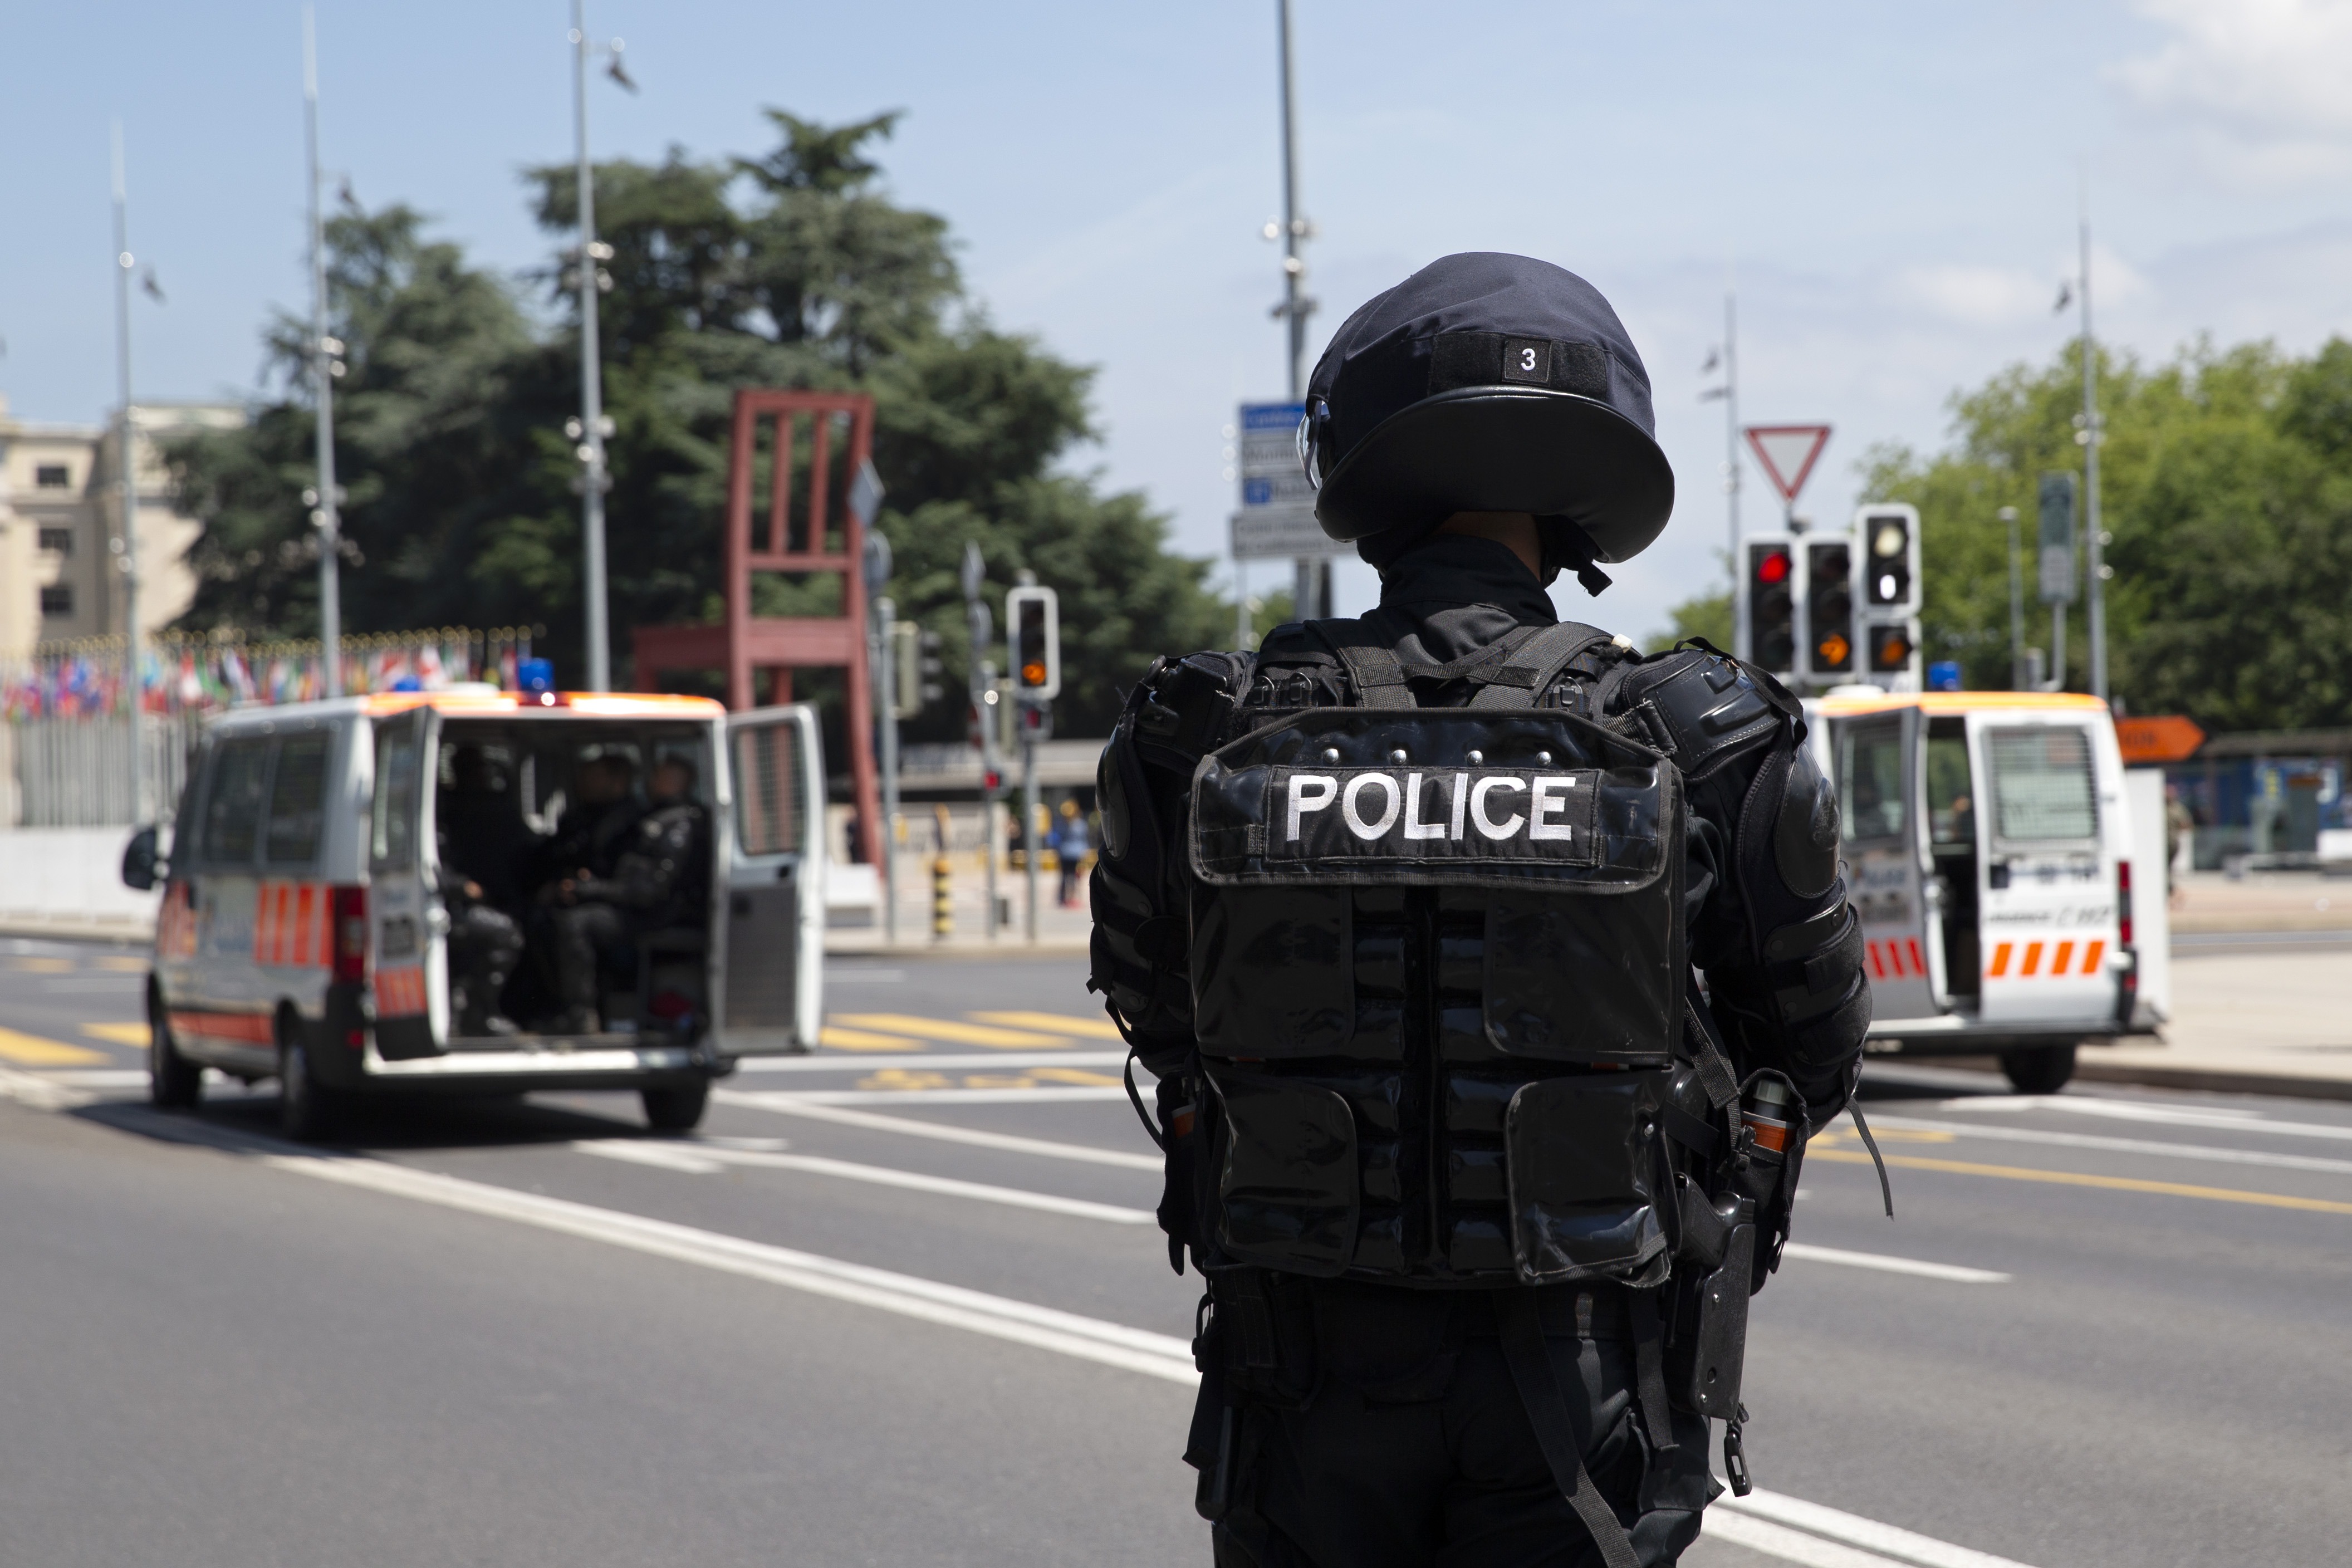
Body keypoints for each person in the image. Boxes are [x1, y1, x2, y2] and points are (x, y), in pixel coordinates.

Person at [1089, 253, 1874, 1567]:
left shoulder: (1199, 734)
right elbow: (1811, 1047)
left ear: (1364, 476)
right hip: (1586, 1384)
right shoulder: (1701, 736)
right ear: (1577, 493)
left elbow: (1157, 1011)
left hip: (1299, 1376)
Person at [543, 757, 712, 1034]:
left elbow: (649, 892)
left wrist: (591, 890)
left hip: (660, 916)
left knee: (575, 923)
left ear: (676, 782)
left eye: (659, 775)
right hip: (644, 908)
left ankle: (581, 1014)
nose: (650, 782)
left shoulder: (679, 825)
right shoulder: (653, 817)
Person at [1054, 798, 1091, 908]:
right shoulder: (1078, 824)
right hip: (1069, 854)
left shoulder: (1078, 824)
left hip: (1072, 854)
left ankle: (1071, 898)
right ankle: (1066, 898)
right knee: (1067, 877)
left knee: (1074, 877)